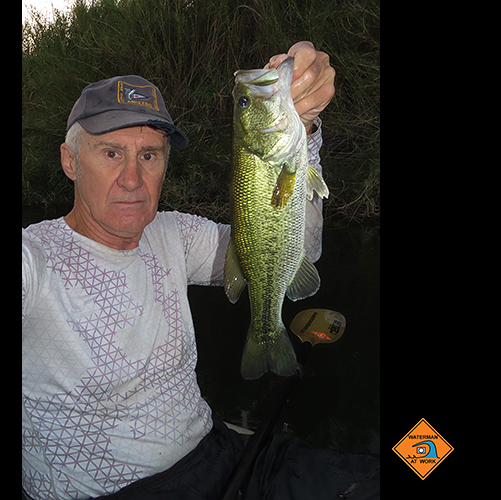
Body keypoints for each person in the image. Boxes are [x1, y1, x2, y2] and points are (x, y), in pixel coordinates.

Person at [23, 42, 378, 500]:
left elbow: (297, 248)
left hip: (221, 455)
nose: (132, 178)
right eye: (111, 153)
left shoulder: (174, 235)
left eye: (149, 156)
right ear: (71, 162)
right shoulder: (35, 258)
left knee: (420, 460)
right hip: (120, 492)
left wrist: (304, 128)